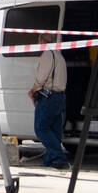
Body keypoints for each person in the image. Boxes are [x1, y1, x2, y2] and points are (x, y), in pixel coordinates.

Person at [28, 32, 69, 169]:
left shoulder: (47, 55)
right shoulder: (60, 56)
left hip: (49, 97)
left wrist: (32, 91)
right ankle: (51, 160)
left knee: (41, 127)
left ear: (41, 40)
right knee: (54, 129)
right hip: (60, 96)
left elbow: (41, 79)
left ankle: (59, 157)